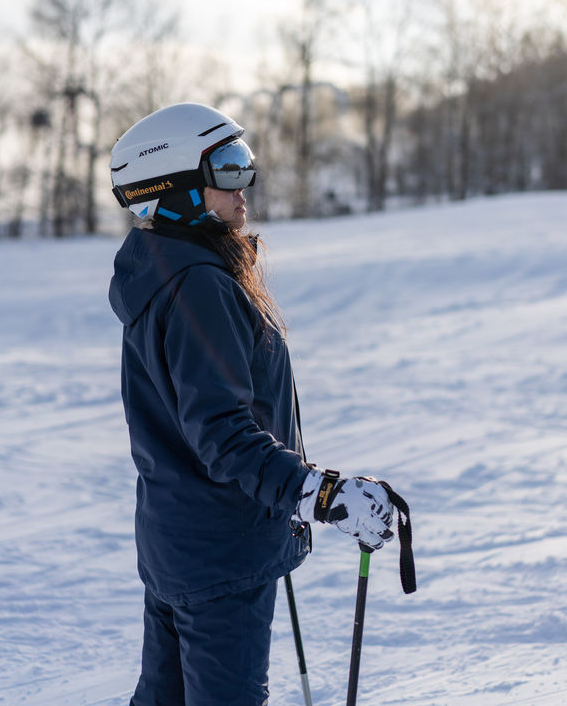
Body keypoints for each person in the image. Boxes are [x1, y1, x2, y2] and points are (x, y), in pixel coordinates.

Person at [108, 103, 395, 706]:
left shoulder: (162, 273)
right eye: (229, 168)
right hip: (219, 554)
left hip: (177, 543)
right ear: (178, 189)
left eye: (247, 164)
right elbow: (222, 433)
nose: (247, 186)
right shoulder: (200, 286)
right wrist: (321, 494)